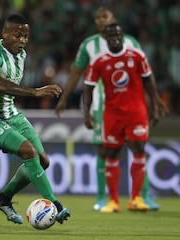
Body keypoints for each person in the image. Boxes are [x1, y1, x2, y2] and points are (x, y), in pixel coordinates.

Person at [55, 7, 161, 211]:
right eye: (98, 17)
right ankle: (104, 198)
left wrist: (154, 102)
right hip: (102, 106)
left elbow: (146, 74)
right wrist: (64, 98)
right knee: (105, 150)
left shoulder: (131, 43)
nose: (101, 20)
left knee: (138, 148)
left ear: (114, 20)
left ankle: (142, 196)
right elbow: (76, 72)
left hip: (133, 106)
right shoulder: (89, 45)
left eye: (105, 17)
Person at [0, 14, 70, 224]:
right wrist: (35, 92)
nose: (22, 41)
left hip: (10, 113)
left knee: (43, 161)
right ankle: (55, 204)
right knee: (28, 151)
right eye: (17, 35)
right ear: (4, 33)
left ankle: (3, 198)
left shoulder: (21, 54)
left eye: (25, 36)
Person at [83, 23, 168, 213]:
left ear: (123, 37)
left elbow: (149, 80)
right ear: (105, 39)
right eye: (110, 36)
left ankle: (136, 198)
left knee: (138, 149)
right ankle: (113, 201)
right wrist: (86, 113)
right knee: (111, 153)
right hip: (112, 114)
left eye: (117, 35)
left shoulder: (137, 56)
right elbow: (88, 88)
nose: (114, 39)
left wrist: (155, 104)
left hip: (136, 112)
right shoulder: (99, 61)